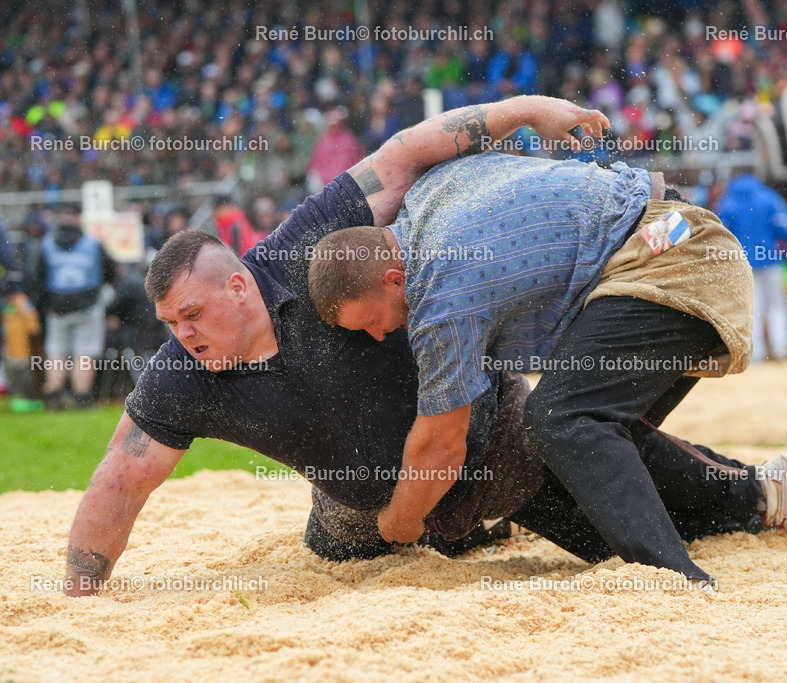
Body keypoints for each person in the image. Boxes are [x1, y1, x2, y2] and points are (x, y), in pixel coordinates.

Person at [62, 96, 616, 597]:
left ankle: (490, 521)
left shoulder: (306, 245)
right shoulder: (181, 373)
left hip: (492, 445)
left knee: (634, 528)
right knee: (334, 546)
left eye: (192, 316)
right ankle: (455, 533)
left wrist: (529, 110)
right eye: (170, 323)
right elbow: (122, 475)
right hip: (358, 517)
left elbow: (405, 154)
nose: (183, 335)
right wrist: (80, 587)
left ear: (237, 288)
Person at [307, 152, 787, 589]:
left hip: (671, 259)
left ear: (393, 280)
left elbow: (441, 447)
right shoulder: (429, 197)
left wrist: (398, 524)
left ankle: (673, 581)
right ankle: (778, 495)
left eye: (372, 323)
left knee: (564, 418)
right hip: (671, 238)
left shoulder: (440, 296)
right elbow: (450, 141)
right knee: (586, 455)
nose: (380, 337)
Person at [26, 204, 119, 409]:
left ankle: (55, 395)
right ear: (80, 218)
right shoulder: (93, 244)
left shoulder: (47, 244)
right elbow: (111, 271)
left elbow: (35, 277)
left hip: (57, 307)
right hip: (88, 305)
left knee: (57, 351)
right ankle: (81, 398)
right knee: (85, 353)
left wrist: (45, 304)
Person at [715, 173, 787, 361]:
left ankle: (755, 354)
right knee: (778, 305)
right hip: (771, 260)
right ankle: (781, 350)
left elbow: (719, 236)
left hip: (742, 266)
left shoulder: (727, 203)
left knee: (752, 309)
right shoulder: (770, 198)